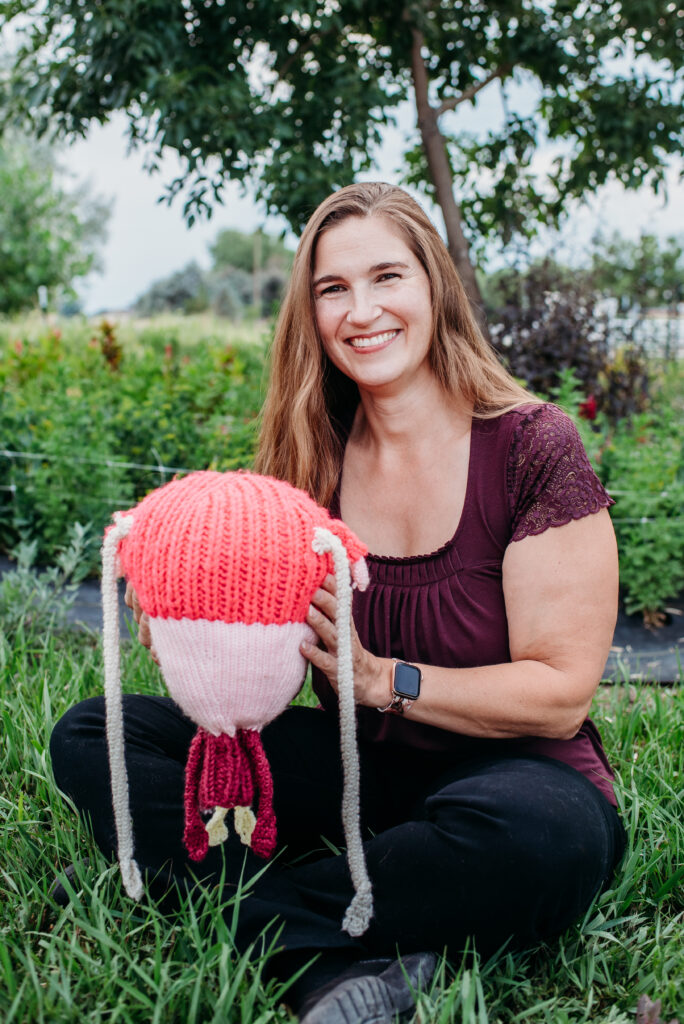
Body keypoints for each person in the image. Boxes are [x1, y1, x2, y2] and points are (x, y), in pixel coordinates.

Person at [50, 182, 626, 1023]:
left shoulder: (531, 446)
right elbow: (269, 665)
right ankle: (359, 916)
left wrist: (382, 677)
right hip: (365, 770)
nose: (363, 311)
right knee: (94, 735)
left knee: (549, 843)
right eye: (333, 289)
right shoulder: (309, 458)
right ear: (310, 312)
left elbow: (561, 692)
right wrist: (192, 624)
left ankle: (213, 900)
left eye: (387, 277)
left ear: (433, 285)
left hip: (518, 777)